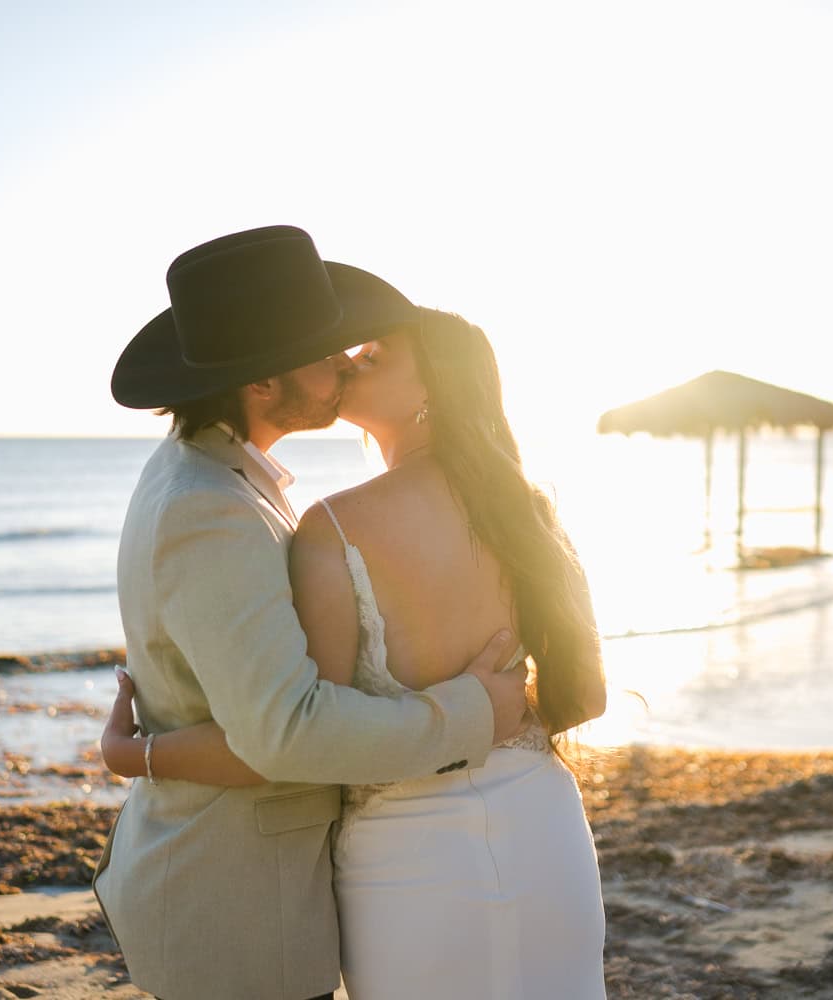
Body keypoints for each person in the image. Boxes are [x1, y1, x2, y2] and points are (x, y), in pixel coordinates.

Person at [103, 306, 610, 998]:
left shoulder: (332, 527)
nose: (346, 362)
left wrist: (140, 755)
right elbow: (584, 697)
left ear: (432, 387)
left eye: (373, 356)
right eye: (345, 353)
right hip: (545, 830)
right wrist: (499, 718)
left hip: (407, 854)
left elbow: (296, 739)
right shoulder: (527, 510)